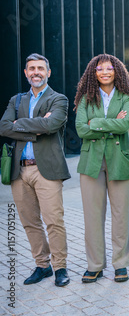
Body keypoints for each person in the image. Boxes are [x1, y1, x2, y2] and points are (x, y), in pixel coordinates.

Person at [0, 53, 71, 287]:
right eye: (31, 68)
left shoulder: (58, 99)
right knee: (30, 222)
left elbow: (51, 124)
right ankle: (43, 266)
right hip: (20, 171)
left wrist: (18, 126)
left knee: (53, 221)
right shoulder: (16, 100)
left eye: (40, 68)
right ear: (26, 73)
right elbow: (3, 127)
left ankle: (60, 267)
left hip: (47, 170)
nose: (36, 72)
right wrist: (36, 129)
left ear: (48, 72)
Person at [74, 54, 129, 283]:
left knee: (121, 216)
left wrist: (96, 123)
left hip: (119, 160)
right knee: (93, 217)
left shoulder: (126, 97)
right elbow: (81, 129)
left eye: (109, 68)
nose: (104, 72)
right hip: (91, 162)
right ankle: (95, 265)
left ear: (117, 71)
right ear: (93, 73)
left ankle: (121, 264)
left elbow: (125, 124)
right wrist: (110, 124)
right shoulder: (85, 98)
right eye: (100, 69)